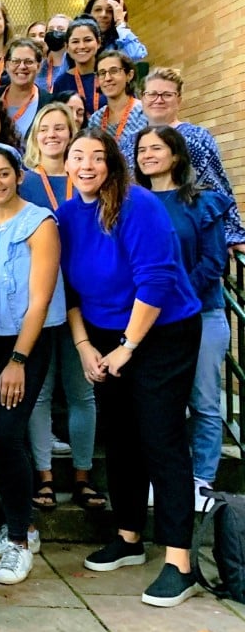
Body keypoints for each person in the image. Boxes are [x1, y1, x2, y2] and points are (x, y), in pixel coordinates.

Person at [59, 129, 203, 607]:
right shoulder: (65, 216)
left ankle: (180, 562)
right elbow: (71, 290)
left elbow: (158, 278)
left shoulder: (137, 204)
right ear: (65, 163)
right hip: (102, 335)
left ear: (113, 164)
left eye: (97, 157)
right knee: (119, 437)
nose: (86, 164)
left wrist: (128, 345)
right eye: (77, 156)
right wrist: (84, 346)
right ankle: (128, 536)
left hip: (161, 332)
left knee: (160, 437)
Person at [0, 143, 65, 585]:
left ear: (18, 175)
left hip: (27, 342)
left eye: (3, 174)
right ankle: (10, 525)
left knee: (6, 434)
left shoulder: (40, 223)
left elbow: (40, 299)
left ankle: (20, 540)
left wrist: (18, 360)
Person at [132, 126, 230, 510]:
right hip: (148, 322)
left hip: (201, 314)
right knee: (164, 404)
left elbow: (214, 260)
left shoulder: (202, 202)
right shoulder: (131, 201)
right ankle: (168, 476)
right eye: (142, 149)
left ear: (176, 154)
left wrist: (173, 295)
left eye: (157, 148)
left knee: (204, 401)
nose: (147, 155)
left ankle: (201, 480)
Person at [18, 103, 105, 512]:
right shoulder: (24, 182)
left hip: (85, 300)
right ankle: (45, 476)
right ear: (35, 136)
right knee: (39, 393)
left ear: (73, 134)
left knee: (82, 392)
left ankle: (84, 476)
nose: (53, 134)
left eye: (61, 128)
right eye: (45, 128)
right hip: (41, 299)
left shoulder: (91, 180)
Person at [142, 67, 245, 250]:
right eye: (152, 94)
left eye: (167, 94)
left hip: (190, 237)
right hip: (145, 234)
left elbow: (218, 187)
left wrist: (232, 234)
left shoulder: (197, 137)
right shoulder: (130, 142)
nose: (158, 100)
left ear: (179, 100)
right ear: (143, 98)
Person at [86, 51, 147, 171]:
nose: (108, 78)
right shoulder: (95, 120)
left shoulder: (145, 112)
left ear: (129, 75)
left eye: (114, 71)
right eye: (102, 73)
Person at [0, 39, 50, 141]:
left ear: (39, 66)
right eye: (16, 61)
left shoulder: (49, 103)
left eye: (28, 62)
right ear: (6, 65)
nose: (22, 66)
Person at [52, 18, 103, 116]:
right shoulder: (61, 83)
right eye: (75, 41)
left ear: (98, 42)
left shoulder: (109, 77)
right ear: (67, 47)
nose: (82, 46)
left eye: (87, 40)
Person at [84, 0, 148, 61]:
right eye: (98, 10)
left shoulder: (119, 42)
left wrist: (120, 22)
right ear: (89, 13)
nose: (103, 15)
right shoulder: (79, 39)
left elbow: (136, 55)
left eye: (110, 10)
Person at [36, 14, 72, 93]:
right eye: (51, 30)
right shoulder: (39, 65)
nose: (54, 32)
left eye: (60, 29)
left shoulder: (74, 65)